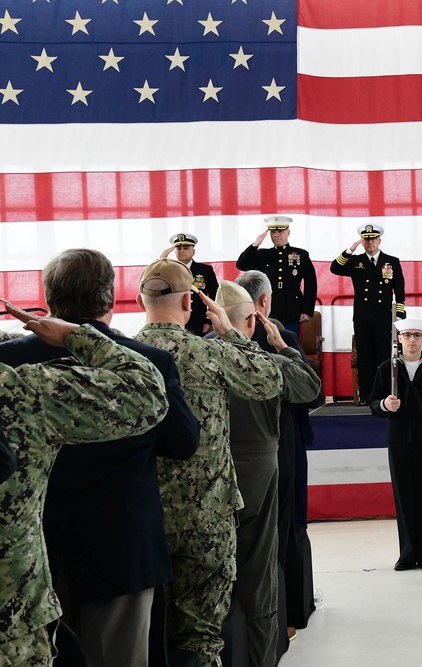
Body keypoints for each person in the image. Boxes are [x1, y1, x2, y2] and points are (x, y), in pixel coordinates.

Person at [0, 248, 200, 667]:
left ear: (49, 298)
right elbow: (182, 442)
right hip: (120, 547)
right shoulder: (148, 362)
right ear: (110, 298)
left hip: (34, 555)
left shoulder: (10, 361)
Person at [133, 258, 283, 667]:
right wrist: (232, 335)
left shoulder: (123, 355)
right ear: (190, 303)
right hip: (207, 518)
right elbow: (270, 379)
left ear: (137, 299)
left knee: (148, 635)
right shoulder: (208, 353)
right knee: (200, 638)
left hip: (145, 519)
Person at [215, 280, 321, 666]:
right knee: (260, 577)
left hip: (205, 484)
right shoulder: (266, 361)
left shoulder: (189, 356)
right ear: (251, 321)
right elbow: (310, 387)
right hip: (258, 477)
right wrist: (282, 346)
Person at [369, 318, 422, 571]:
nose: (412, 340)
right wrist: (386, 405)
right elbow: (373, 402)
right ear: (399, 338)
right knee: (403, 497)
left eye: (417, 335)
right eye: (407, 335)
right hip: (398, 440)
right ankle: (407, 553)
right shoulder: (387, 368)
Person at [330, 223, 406, 402]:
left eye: (373, 239)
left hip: (384, 316)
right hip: (363, 317)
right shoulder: (356, 262)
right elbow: (335, 268)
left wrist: (400, 313)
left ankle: (385, 394)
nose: (370, 242)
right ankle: (367, 395)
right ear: (362, 242)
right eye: (366, 239)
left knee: (383, 356)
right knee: (365, 356)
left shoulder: (391, 261)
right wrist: (350, 249)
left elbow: (400, 290)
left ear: (379, 240)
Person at [236, 215, 317, 336]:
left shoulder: (301, 254)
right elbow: (242, 264)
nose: (276, 235)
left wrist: (306, 310)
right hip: (268, 308)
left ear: (288, 233)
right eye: (273, 232)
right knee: (266, 344)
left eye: (280, 231)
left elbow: (311, 284)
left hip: (292, 310)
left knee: (290, 344)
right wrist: (256, 243)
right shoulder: (263, 254)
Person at [160, 233, 219, 335]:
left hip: (198, 322)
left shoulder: (205, 270)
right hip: (174, 320)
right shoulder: (169, 270)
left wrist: (209, 320)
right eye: (179, 248)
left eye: (186, 248)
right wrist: (161, 260)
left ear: (193, 252)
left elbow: (215, 296)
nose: (182, 250)